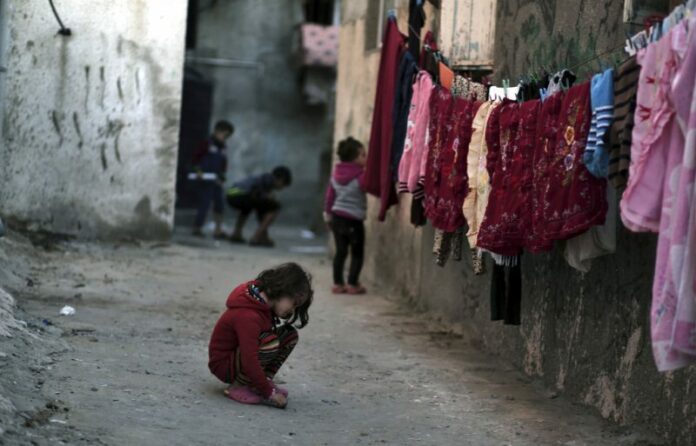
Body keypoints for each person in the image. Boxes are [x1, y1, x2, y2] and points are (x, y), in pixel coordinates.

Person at [208, 263, 313, 408]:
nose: (292, 310)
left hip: (240, 358)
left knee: (290, 335)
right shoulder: (248, 315)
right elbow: (249, 357)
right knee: (269, 342)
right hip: (224, 365)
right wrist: (269, 392)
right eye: (293, 304)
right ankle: (238, 386)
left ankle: (259, 382)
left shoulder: (264, 305)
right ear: (282, 290)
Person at [324, 137, 368, 295]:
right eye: (363, 155)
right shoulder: (361, 176)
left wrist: (327, 217)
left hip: (337, 218)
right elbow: (369, 186)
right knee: (357, 253)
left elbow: (329, 198)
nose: (366, 158)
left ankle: (337, 283)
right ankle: (352, 283)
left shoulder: (335, 176)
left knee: (341, 252)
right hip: (354, 221)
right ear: (355, 158)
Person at [226, 166, 292, 247]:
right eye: (283, 185)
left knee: (247, 208)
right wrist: (269, 197)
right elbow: (257, 194)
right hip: (241, 194)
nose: (282, 188)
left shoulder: (262, 177)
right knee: (275, 207)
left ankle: (236, 234)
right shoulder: (269, 179)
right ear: (281, 179)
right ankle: (257, 237)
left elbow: (259, 207)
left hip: (231, 194)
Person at [191, 120, 235, 238]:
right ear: (217, 131)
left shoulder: (223, 147)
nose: (225, 138)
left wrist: (221, 177)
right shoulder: (206, 143)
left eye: (227, 137)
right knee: (204, 204)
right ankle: (197, 228)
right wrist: (198, 171)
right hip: (205, 180)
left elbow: (223, 164)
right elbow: (195, 158)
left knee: (219, 204)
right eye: (224, 135)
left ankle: (218, 230)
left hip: (216, 180)